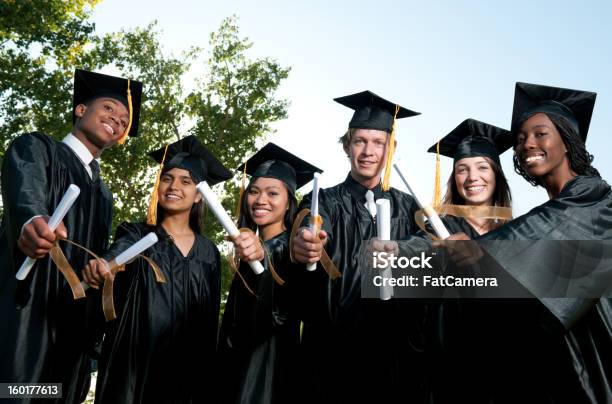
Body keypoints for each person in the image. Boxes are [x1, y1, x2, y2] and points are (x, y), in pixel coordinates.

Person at [446, 83, 612, 403]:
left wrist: (479, 249)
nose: (526, 144)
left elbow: (537, 233)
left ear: (567, 142)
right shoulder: (563, 204)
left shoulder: (593, 198)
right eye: (521, 139)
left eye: (540, 134)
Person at [0, 69, 142, 403]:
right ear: (81, 109)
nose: (117, 121)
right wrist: (33, 222)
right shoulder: (38, 148)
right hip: (28, 305)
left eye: (123, 120)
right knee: (15, 391)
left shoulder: (104, 194)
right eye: (108, 108)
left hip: (73, 322)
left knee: (58, 395)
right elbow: (26, 193)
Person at [291, 90, 428, 402]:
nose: (368, 151)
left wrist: (405, 249)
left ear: (391, 150)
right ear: (346, 146)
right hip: (332, 352)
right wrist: (303, 244)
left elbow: (432, 247)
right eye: (360, 141)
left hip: (395, 353)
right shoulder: (322, 201)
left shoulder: (410, 208)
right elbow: (308, 229)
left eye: (378, 142)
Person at [82, 135, 233, 403]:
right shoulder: (137, 234)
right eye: (167, 178)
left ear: (199, 195)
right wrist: (104, 264)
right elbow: (116, 254)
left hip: (189, 378)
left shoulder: (209, 252)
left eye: (186, 181)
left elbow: (210, 323)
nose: (173, 186)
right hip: (135, 367)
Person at [218, 142, 321, 404]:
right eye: (254, 191)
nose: (260, 200)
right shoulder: (248, 247)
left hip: (272, 369)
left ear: (289, 204)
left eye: (272, 193)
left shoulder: (295, 248)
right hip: (236, 363)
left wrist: (263, 254)